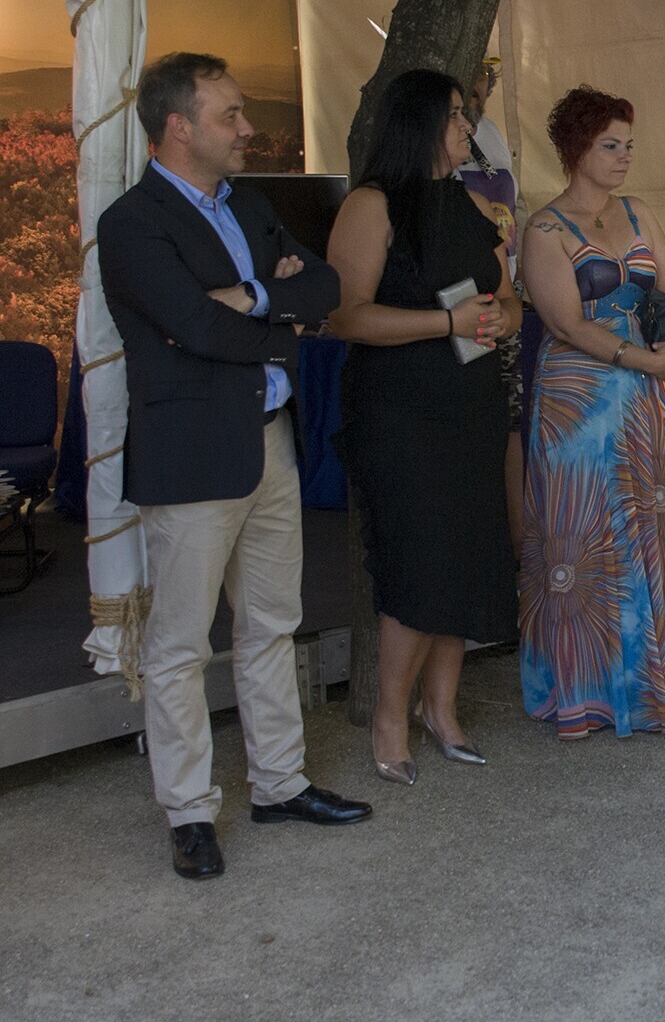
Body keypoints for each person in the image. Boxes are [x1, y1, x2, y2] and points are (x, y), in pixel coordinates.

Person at [97, 52, 369, 880]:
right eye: (230, 115)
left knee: (272, 624)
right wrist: (280, 320)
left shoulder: (247, 204)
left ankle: (280, 785)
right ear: (178, 126)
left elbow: (324, 286)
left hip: (268, 439)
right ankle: (189, 813)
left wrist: (254, 298)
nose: (248, 129)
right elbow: (191, 327)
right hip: (190, 454)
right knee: (180, 645)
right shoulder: (132, 223)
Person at [330, 69, 521, 784]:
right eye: (454, 116)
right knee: (419, 563)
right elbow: (345, 316)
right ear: (418, 124)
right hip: (401, 415)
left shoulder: (468, 202)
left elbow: (508, 298)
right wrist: (447, 323)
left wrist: (502, 319)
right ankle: (390, 718)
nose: (467, 126)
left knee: (467, 555)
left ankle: (441, 709)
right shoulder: (371, 205)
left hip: (471, 405)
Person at [516, 86, 665, 736]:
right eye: (610, 145)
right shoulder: (543, 229)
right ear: (577, 149)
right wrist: (647, 360)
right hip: (580, 400)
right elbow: (566, 324)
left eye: (628, 145)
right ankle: (589, 695)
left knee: (648, 531)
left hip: (645, 393)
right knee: (587, 538)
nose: (624, 156)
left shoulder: (638, 210)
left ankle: (651, 689)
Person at [456, 57, 529, 551]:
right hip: (457, 295)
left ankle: (517, 543)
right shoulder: (440, 143)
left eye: (484, 93)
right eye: (469, 96)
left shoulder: (493, 134)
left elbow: (512, 212)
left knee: (509, 419)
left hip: (502, 288)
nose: (478, 104)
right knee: (470, 423)